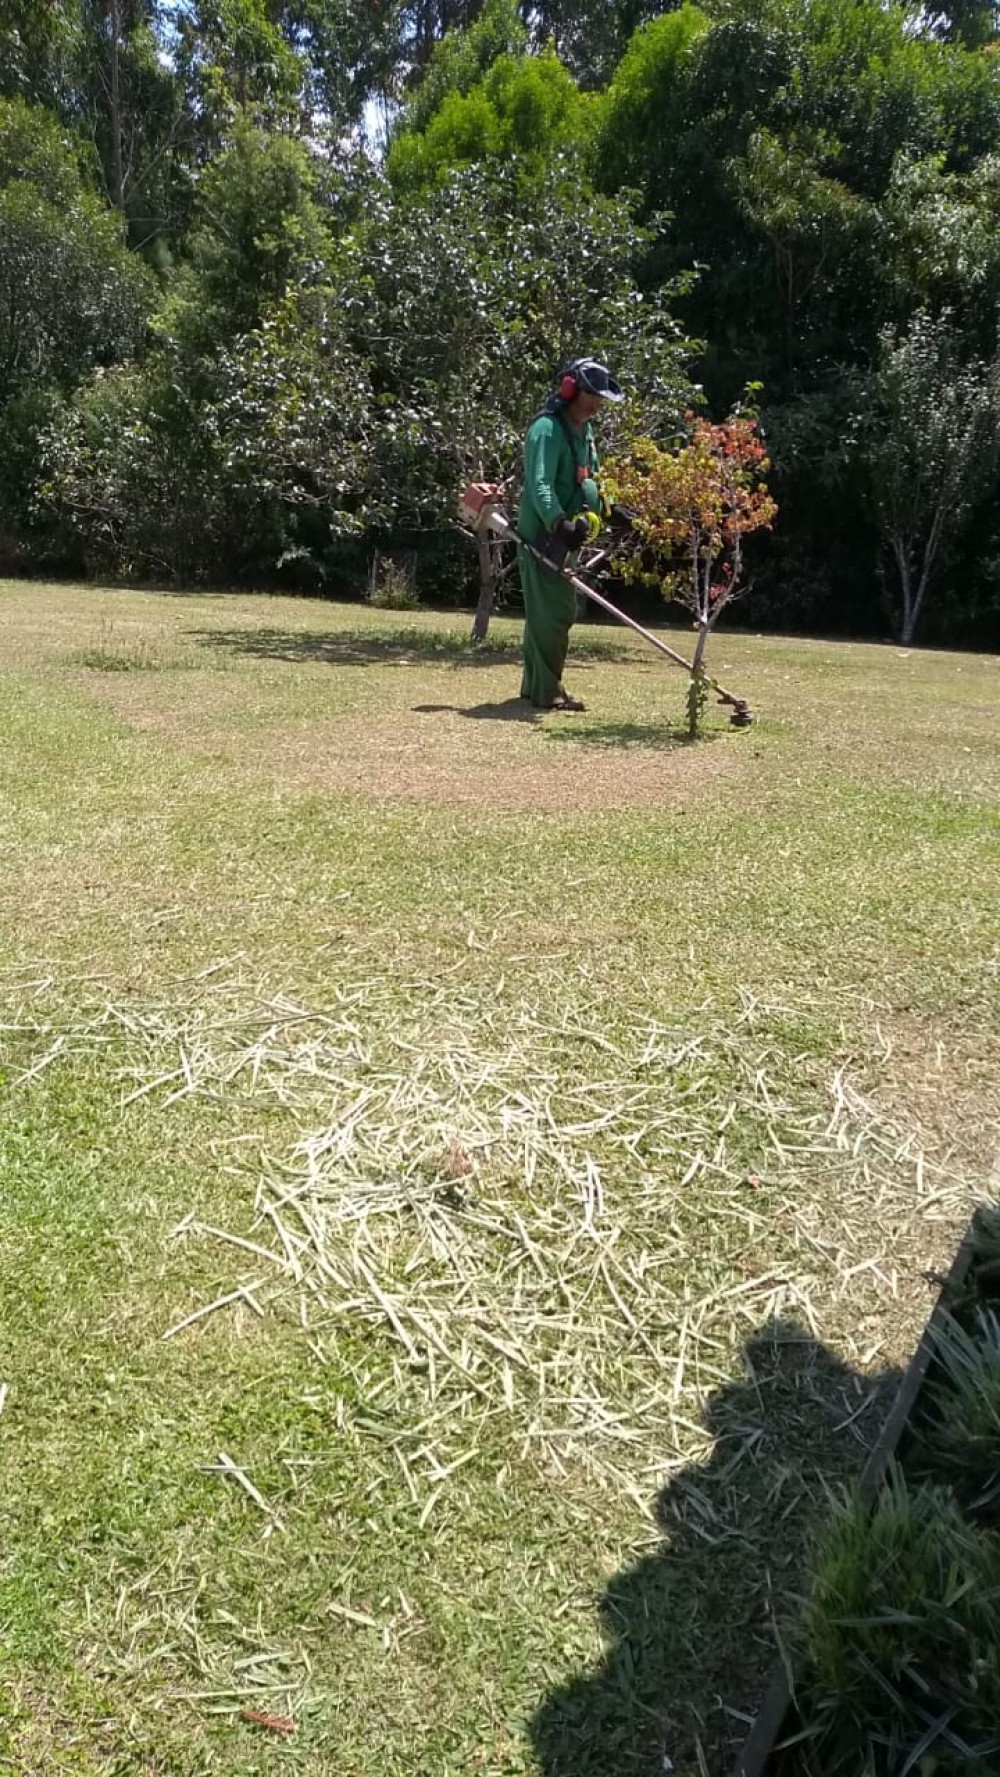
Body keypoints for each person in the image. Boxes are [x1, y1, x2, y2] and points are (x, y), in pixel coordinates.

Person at [516, 357, 624, 712]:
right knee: (554, 613)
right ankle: (547, 693)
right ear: (571, 389)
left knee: (547, 613)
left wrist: (610, 507)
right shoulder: (546, 429)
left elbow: (589, 475)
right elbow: (540, 483)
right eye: (592, 395)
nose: (597, 403)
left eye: (600, 397)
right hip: (545, 535)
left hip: (570, 533)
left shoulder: (585, 432)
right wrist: (558, 522)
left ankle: (536, 689)